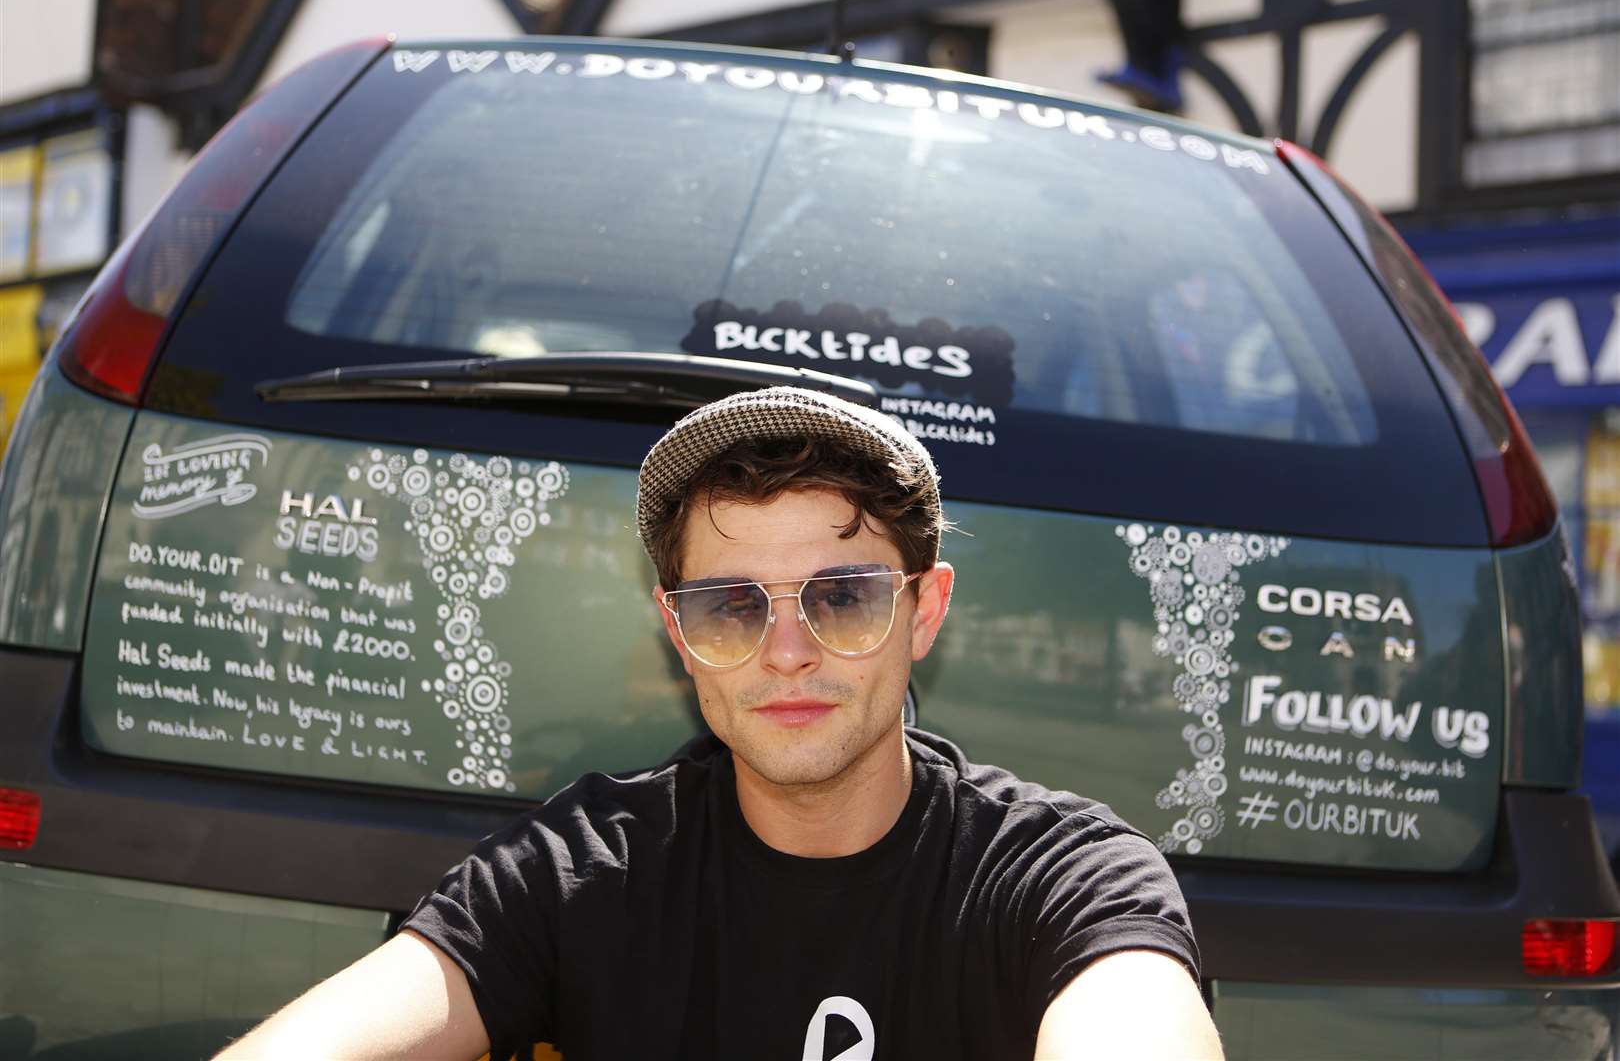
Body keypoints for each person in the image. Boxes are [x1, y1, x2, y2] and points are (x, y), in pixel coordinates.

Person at [217, 386, 1222, 1060]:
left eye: (844, 598)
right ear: (677, 630)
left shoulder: (1060, 876)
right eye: (733, 607)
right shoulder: (584, 872)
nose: (788, 653)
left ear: (925, 611)